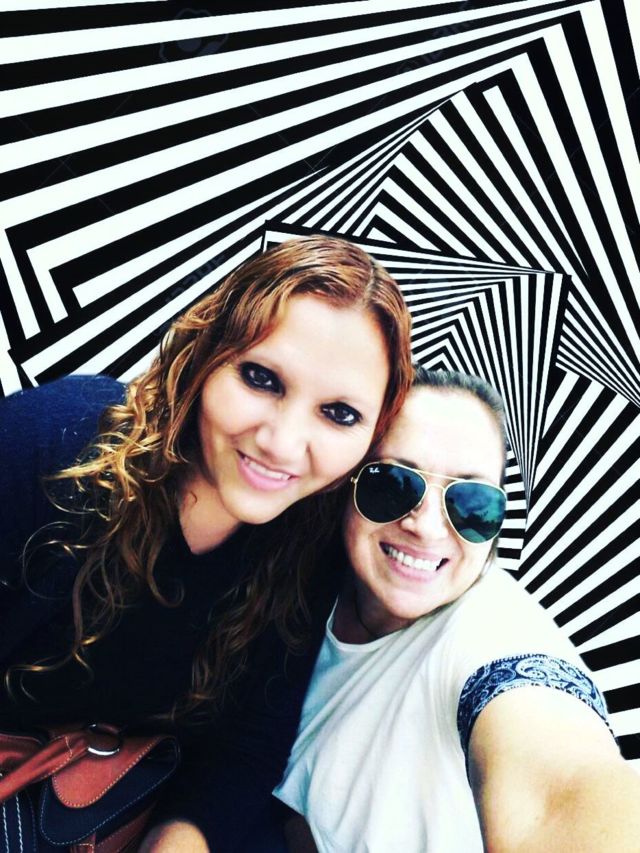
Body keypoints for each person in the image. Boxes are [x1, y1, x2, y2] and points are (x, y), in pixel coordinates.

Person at [0, 236, 414, 853]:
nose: (282, 442)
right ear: (205, 354)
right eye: (261, 378)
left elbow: (244, 750)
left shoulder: (311, 547)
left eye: (339, 414)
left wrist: (179, 840)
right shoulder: (56, 444)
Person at [274, 367, 640, 852]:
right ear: (348, 484)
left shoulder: (493, 632)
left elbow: (561, 786)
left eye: (471, 502)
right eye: (394, 483)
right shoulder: (295, 584)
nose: (425, 527)